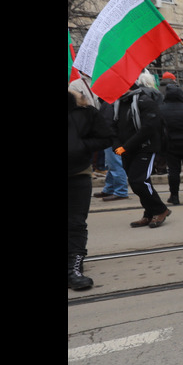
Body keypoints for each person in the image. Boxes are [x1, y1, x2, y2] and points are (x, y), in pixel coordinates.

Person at [68, 87, 114, 290]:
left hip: (78, 173)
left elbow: (106, 137)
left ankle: (74, 268)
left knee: (76, 222)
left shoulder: (84, 110)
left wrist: (80, 145)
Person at [113, 72, 171, 229]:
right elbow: (114, 126)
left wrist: (126, 146)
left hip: (146, 148)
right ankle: (149, 213)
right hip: (127, 150)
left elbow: (148, 128)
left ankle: (160, 210)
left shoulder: (144, 101)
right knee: (136, 182)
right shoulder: (119, 103)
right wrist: (118, 146)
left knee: (139, 181)